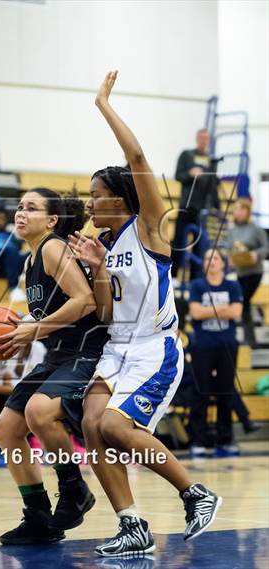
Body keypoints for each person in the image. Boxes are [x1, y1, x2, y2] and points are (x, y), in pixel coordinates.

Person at [69, 71, 222, 557]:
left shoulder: (149, 228)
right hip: (117, 348)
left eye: (97, 194)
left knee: (115, 427)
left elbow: (137, 159)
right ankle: (131, 523)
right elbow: (107, 310)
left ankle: (195, 493)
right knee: (92, 426)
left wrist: (104, 105)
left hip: (155, 349)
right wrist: (94, 270)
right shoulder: (105, 244)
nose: (90, 202)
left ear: (120, 196)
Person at [0, 188, 109, 545]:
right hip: (58, 354)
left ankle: (74, 489)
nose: (21, 213)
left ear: (52, 220)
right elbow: (47, 316)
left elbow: (85, 302)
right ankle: (40, 517)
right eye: (19, 207)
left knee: (39, 413)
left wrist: (34, 330)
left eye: (31, 208)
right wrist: (18, 335)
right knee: (6, 429)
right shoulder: (29, 262)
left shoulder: (52, 247)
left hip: (86, 351)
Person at [188, 248, 243, 457]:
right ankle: (198, 442)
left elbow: (236, 313)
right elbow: (195, 312)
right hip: (203, 347)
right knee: (200, 393)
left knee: (226, 393)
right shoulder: (197, 285)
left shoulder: (232, 285)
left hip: (227, 346)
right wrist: (223, 309)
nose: (212, 261)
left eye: (216, 258)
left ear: (223, 262)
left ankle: (225, 441)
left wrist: (207, 310)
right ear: (203, 263)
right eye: (207, 258)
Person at [171, 129, 220, 283]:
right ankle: (173, 276)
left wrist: (216, 206)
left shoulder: (212, 160)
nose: (203, 140)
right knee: (179, 241)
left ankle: (195, 279)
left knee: (199, 246)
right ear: (197, 138)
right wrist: (190, 174)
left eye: (206, 138)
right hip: (186, 206)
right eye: (201, 137)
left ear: (209, 141)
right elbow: (178, 175)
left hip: (202, 210)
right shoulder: (186, 154)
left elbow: (213, 185)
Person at [227, 198, 268, 346]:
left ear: (247, 211)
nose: (238, 212)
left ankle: (249, 338)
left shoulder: (256, 229)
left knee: (243, 301)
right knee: (244, 303)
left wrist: (255, 254)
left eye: (242, 209)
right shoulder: (232, 230)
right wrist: (230, 258)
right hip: (240, 272)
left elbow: (265, 248)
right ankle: (250, 339)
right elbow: (228, 248)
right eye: (236, 209)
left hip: (254, 272)